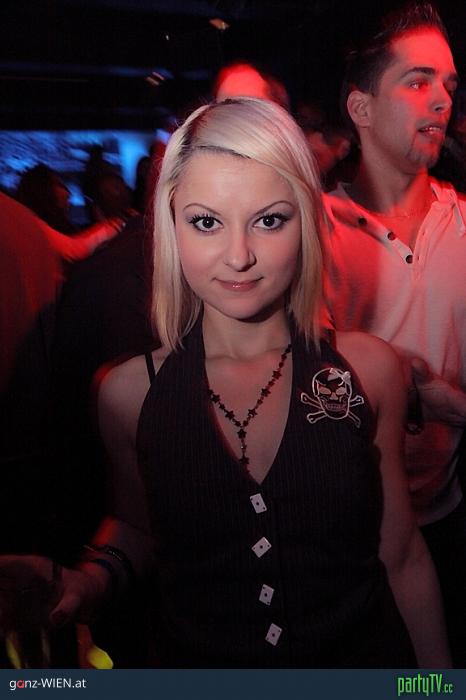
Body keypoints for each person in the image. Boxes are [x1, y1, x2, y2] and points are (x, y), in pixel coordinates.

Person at [1, 98, 449, 668]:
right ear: (172, 226)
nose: (238, 256)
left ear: (307, 221)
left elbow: (402, 555)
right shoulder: (127, 393)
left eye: (269, 220)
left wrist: (438, 685)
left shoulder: (368, 371)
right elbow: (139, 527)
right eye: (207, 222)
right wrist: (88, 580)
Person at [321, 1, 466, 665]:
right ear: (361, 107)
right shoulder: (310, 232)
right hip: (344, 542)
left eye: (449, 85)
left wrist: (448, 404)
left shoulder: (462, 225)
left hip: (450, 519)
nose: (442, 99)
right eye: (417, 81)